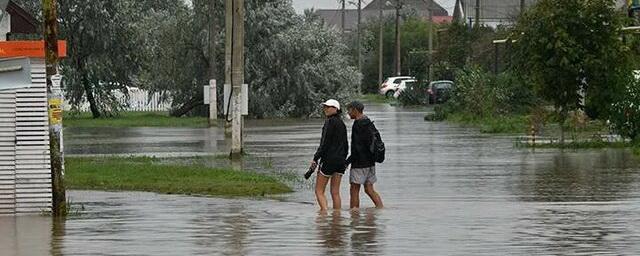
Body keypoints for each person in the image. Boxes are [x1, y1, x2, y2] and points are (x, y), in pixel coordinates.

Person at [346, 101, 383, 209]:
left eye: (349, 110)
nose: (348, 113)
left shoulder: (358, 124)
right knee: (369, 189)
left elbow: (357, 148)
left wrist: (347, 162)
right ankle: (381, 209)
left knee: (354, 190)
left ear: (355, 110)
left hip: (359, 163)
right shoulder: (369, 122)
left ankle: (354, 215)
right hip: (371, 162)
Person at [312, 99, 348, 211]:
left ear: (336, 109)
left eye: (328, 107)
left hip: (329, 161)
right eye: (325, 107)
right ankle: (336, 218)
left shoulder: (329, 122)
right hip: (341, 162)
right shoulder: (342, 123)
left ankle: (324, 215)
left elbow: (324, 143)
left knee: (319, 190)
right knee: (335, 192)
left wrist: (315, 158)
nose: (325, 109)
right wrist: (344, 160)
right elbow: (346, 145)